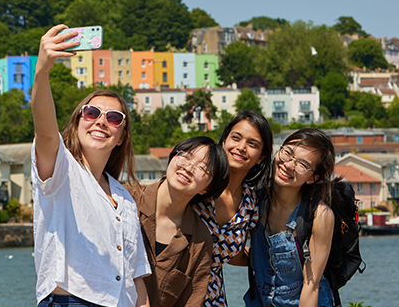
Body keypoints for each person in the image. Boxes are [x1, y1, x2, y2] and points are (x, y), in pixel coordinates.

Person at [32, 24, 150, 307]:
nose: (100, 121)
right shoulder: (61, 169)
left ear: (122, 136)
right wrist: (42, 71)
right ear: (77, 122)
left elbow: (135, 278)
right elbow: (46, 131)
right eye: (92, 112)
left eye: (113, 118)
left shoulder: (124, 199)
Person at [126, 136, 229, 307]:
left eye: (203, 168)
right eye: (186, 156)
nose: (189, 167)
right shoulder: (125, 199)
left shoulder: (200, 240)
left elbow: (191, 301)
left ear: (207, 188)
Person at [244, 128, 336, 307]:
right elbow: (244, 255)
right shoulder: (255, 199)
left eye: (302, 164)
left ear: (312, 178)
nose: (288, 165)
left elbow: (312, 286)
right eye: (287, 152)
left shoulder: (319, 215)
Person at [193, 110, 273, 306]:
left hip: (212, 297)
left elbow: (233, 256)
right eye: (235, 138)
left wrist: (283, 258)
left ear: (261, 157)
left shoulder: (250, 203)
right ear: (223, 141)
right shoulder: (197, 182)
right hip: (171, 291)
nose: (241, 147)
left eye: (252, 144)